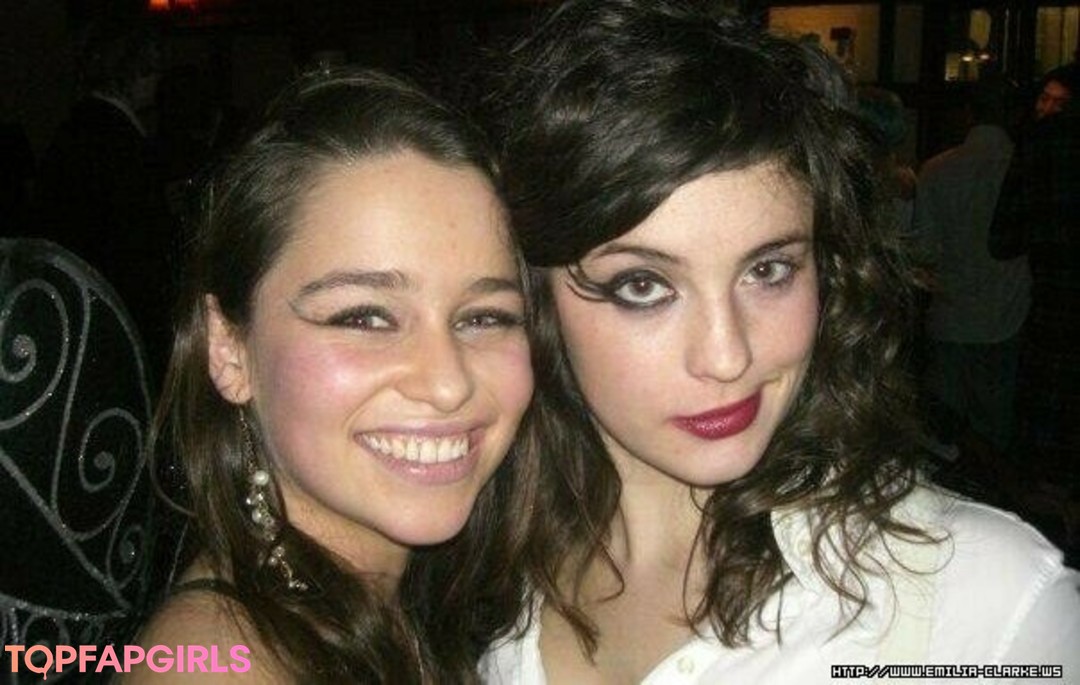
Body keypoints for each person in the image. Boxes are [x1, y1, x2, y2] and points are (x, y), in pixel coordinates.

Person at [481, 2, 1080, 683]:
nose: (727, 355)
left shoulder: (988, 606)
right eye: (643, 285)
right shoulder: (466, 579)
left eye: (767, 270)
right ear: (532, 298)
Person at [127, 68, 534, 683]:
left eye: (484, 317)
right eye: (365, 317)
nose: (448, 383)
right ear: (229, 350)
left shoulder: (404, 606)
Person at [31, 14, 174, 376]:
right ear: (132, 70)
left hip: (75, 305)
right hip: (114, 314)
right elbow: (138, 248)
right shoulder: (118, 142)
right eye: (151, 69)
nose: (158, 80)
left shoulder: (74, 129)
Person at [913, 73, 1029, 458]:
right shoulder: (1021, 167)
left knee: (944, 434)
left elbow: (924, 249)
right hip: (1008, 312)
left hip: (950, 313)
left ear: (968, 114)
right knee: (994, 429)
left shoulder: (937, 170)